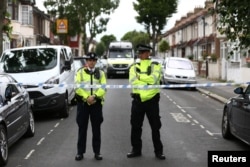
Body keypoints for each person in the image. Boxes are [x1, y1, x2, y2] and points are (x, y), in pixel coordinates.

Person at [127, 44, 165, 160]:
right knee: (135, 126)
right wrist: (144, 80)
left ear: (148, 53)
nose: (141, 54)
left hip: (152, 101)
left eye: (144, 52)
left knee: (155, 127)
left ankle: (158, 151)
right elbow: (133, 81)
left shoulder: (156, 65)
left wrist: (140, 78)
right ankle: (136, 150)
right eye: (140, 52)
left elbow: (154, 79)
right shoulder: (134, 66)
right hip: (138, 100)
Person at [74, 52, 107, 161]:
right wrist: (87, 97)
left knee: (96, 129)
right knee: (82, 128)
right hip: (83, 104)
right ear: (86, 61)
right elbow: (77, 87)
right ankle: (80, 152)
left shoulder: (101, 73)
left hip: (96, 104)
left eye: (93, 60)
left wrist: (95, 96)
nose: (91, 62)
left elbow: (103, 87)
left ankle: (97, 152)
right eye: (89, 60)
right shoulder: (80, 72)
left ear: (96, 61)